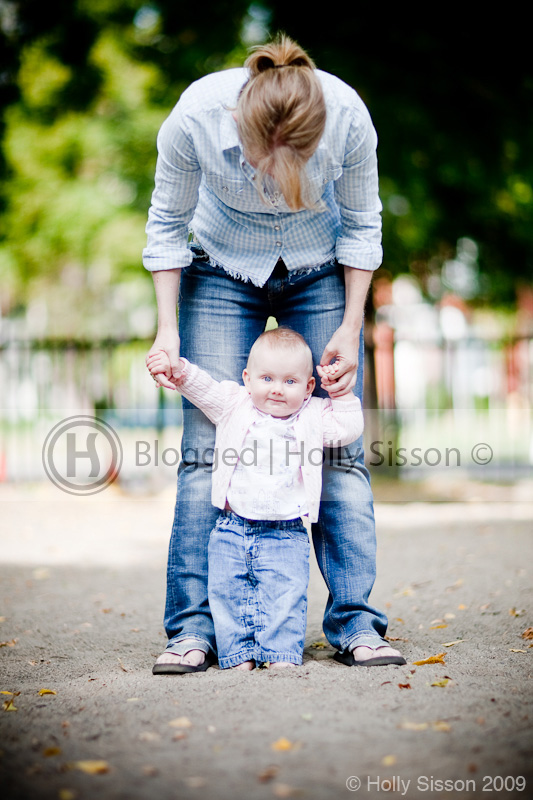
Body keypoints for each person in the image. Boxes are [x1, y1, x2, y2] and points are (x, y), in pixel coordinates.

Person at [144, 33, 406, 673]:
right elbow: (166, 225)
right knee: (207, 456)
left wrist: (349, 325)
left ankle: (355, 624)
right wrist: (166, 330)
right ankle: (193, 629)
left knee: (340, 452)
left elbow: (364, 225)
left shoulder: (346, 119)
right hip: (219, 270)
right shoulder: (196, 119)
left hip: (321, 270)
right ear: (243, 126)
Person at [148, 327, 363, 670]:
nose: (277, 389)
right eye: (267, 378)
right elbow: (204, 389)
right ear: (248, 379)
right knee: (227, 592)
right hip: (232, 526)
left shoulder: (313, 415)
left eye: (290, 382)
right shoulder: (235, 403)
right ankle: (238, 654)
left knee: (285, 594)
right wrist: (180, 370)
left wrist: (343, 396)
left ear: (309, 387)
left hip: (287, 530)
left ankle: (279, 653)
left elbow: (347, 429)